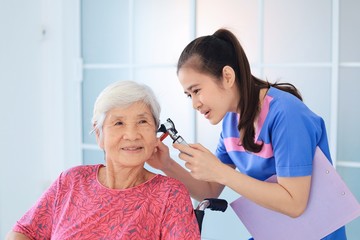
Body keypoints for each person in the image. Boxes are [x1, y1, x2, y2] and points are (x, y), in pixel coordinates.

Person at [147, 28, 347, 239]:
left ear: (227, 76)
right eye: (189, 95)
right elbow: (210, 190)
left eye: (196, 90)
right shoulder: (231, 123)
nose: (195, 104)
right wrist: (166, 164)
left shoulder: (287, 115)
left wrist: (219, 171)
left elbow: (294, 203)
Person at [6, 81, 200, 240]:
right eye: (119, 123)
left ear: (155, 133)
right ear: (99, 134)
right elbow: (23, 232)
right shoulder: (72, 181)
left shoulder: (170, 195)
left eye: (142, 121)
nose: (132, 135)